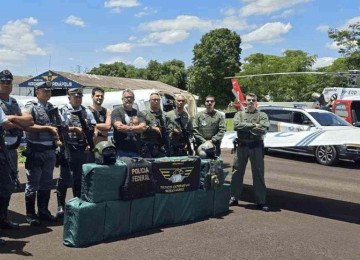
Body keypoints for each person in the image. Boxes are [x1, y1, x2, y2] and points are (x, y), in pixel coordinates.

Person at [0, 70, 34, 230]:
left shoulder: (13, 102)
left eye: (8, 82)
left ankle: (3, 217)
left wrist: (13, 119)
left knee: (8, 185)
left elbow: (29, 121)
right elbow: (5, 124)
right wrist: (17, 123)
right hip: (1, 147)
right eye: (3, 82)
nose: (6, 85)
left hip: (12, 150)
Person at [56, 88, 96, 218]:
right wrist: (73, 129)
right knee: (64, 178)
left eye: (80, 97)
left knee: (79, 177)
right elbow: (59, 127)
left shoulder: (86, 110)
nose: (78, 99)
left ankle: (77, 203)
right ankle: (60, 206)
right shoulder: (63, 110)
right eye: (75, 96)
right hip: (67, 148)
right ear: (69, 97)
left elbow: (93, 128)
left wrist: (90, 143)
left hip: (81, 149)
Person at [23, 81, 58, 225]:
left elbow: (58, 125)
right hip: (36, 150)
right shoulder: (31, 106)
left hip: (50, 150)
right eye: (45, 90)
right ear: (37, 91)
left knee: (46, 182)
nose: (48, 92)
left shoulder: (52, 107)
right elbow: (27, 126)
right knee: (32, 183)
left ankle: (43, 211)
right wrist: (47, 129)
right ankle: (30, 215)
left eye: (49, 90)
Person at [229, 93, 270, 212]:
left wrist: (246, 126)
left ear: (256, 101)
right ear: (245, 101)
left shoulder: (262, 115)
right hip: (241, 146)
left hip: (256, 147)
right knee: (236, 172)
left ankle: (261, 201)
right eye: (249, 100)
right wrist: (253, 125)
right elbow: (236, 126)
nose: (251, 102)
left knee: (258, 173)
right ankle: (234, 197)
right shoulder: (239, 114)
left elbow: (264, 128)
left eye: (253, 100)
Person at [111, 89, 146, 157]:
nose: (129, 99)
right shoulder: (117, 111)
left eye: (131, 97)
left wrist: (127, 128)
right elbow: (119, 127)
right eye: (127, 97)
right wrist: (136, 128)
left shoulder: (138, 113)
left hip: (136, 150)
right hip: (121, 151)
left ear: (134, 99)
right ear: (122, 99)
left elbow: (143, 127)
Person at [140, 92, 168, 158]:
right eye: (154, 99)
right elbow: (141, 127)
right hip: (147, 146)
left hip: (161, 147)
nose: (156, 101)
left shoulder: (164, 115)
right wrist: (153, 128)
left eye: (158, 100)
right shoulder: (143, 113)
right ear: (149, 101)